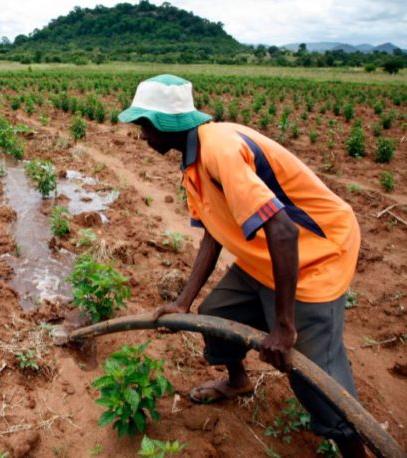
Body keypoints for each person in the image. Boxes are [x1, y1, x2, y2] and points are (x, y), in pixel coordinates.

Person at [119, 75, 364, 457]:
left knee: (312, 377)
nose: (142, 137)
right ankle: (237, 381)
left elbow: (284, 231)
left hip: (316, 255)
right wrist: (184, 302)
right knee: (216, 315)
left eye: (144, 126)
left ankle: (351, 443)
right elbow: (214, 233)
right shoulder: (194, 161)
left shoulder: (219, 150)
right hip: (266, 256)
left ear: (165, 124)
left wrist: (284, 326)